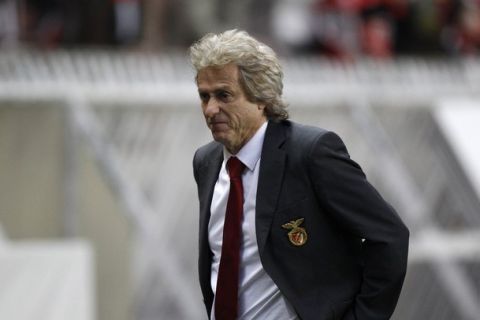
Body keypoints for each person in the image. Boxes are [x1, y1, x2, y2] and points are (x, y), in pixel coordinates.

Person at [190, 29, 409, 320]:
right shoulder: (206, 163)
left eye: (224, 95)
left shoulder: (311, 153)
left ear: (261, 97)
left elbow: (389, 236)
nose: (210, 108)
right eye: (204, 96)